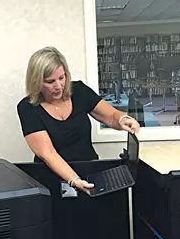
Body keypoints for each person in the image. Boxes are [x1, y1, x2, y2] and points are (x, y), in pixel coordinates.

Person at [17, 46, 139, 193]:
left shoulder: (79, 91)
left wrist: (122, 119)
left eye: (61, 78)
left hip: (89, 170)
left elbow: (110, 115)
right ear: (36, 81)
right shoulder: (28, 108)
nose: (58, 86)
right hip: (51, 178)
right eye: (50, 81)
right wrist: (74, 180)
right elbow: (48, 153)